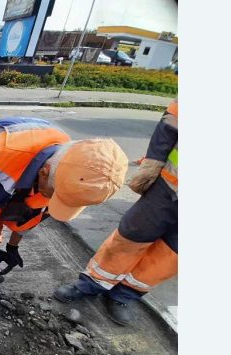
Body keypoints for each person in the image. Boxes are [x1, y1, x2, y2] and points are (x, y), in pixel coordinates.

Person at [0, 117, 129, 303]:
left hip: (2, 185)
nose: (52, 200)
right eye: (54, 195)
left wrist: (12, 247)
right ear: (44, 173)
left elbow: (30, 218)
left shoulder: (73, 168)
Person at [53, 99, 178, 325]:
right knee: (132, 236)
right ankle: (91, 284)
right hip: (168, 187)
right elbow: (169, 127)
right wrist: (152, 168)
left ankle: (125, 295)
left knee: (170, 257)